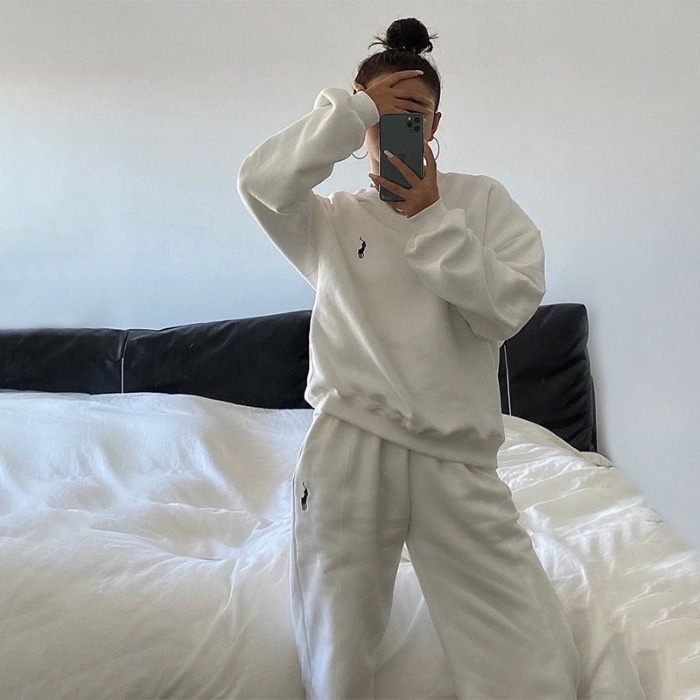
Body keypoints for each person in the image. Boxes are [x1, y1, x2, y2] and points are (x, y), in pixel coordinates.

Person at [238, 17, 580, 700]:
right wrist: (353, 110)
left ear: (437, 122)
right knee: (337, 645)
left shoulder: (481, 202)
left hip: (455, 453)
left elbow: (507, 308)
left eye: (414, 113)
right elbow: (260, 182)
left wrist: (430, 217)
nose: (399, 125)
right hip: (349, 443)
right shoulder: (330, 220)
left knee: (520, 652)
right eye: (384, 113)